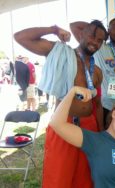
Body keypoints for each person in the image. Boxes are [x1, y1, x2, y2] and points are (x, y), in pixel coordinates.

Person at [14, 20, 107, 188]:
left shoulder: (98, 72)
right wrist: (53, 29)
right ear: (81, 34)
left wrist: (100, 134)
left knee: (85, 177)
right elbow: (20, 37)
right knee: (58, 178)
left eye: (100, 40)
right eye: (92, 35)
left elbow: (98, 105)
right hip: (63, 124)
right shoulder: (60, 52)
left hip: (89, 127)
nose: (95, 42)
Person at [70, 17, 115, 130]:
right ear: (108, 31)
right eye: (114, 27)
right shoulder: (98, 46)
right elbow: (74, 26)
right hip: (103, 107)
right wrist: (100, 31)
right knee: (103, 140)